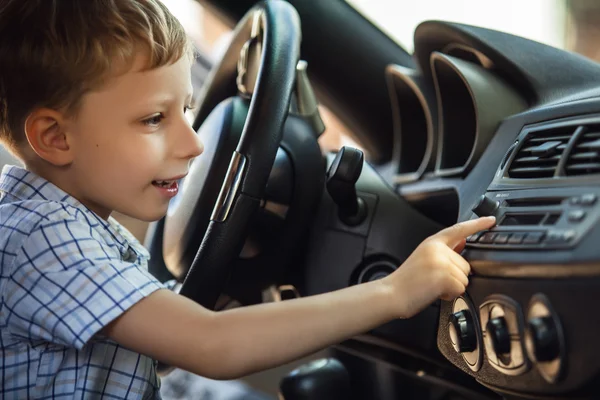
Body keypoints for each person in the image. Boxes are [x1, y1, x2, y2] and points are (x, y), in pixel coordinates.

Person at [0, 1, 496, 398]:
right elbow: (209, 344)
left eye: (187, 112)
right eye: (154, 119)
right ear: (55, 137)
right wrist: (396, 291)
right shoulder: (44, 238)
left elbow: (163, 345)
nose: (194, 144)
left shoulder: (60, 225)